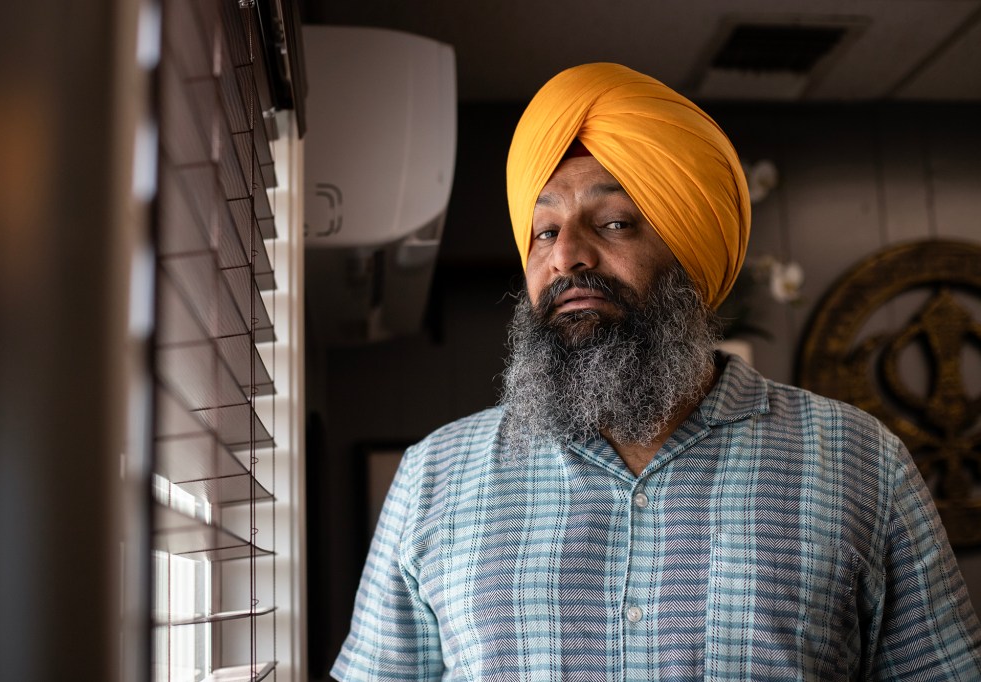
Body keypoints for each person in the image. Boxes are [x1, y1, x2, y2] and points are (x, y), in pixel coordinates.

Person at [331, 63, 981, 680]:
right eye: (542, 231)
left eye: (612, 222)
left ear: (693, 253)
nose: (566, 257)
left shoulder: (859, 464)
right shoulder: (434, 477)